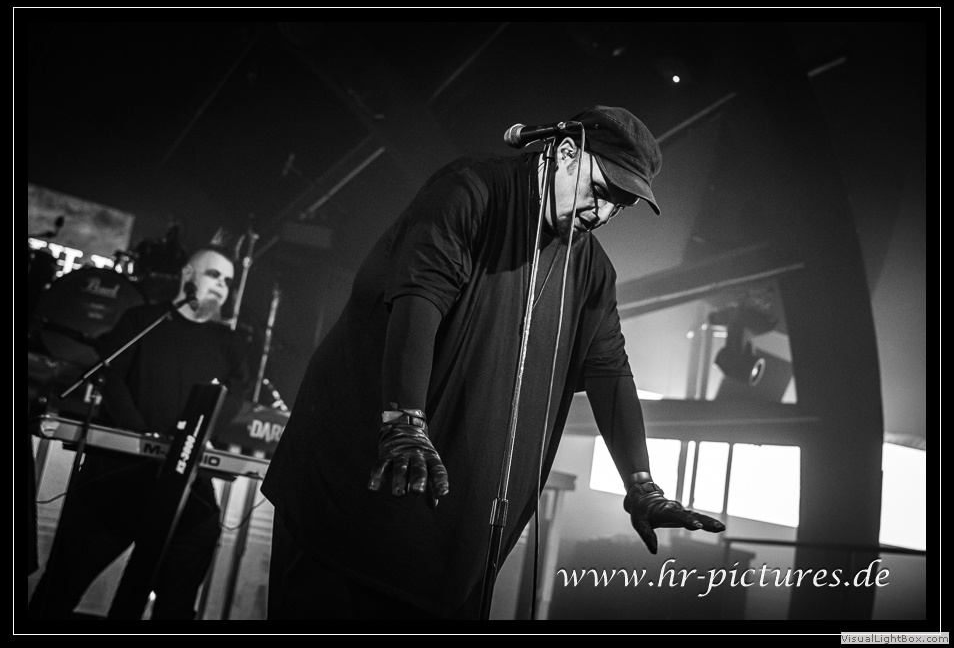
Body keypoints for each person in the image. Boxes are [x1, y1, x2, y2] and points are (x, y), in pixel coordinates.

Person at [260, 105, 726, 620]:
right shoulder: (472, 192)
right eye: (600, 189)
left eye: (620, 205)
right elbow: (420, 297)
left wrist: (641, 484)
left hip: (449, 556)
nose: (602, 213)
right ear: (565, 153)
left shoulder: (593, 271)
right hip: (345, 507)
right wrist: (405, 421)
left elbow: (610, 373)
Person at [29, 246, 250, 620]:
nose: (222, 286)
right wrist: (141, 435)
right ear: (188, 275)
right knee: (58, 592)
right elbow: (113, 376)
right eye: (214, 275)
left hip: (184, 488)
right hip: (117, 480)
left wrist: (203, 432)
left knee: (180, 593)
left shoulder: (229, 343)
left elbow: (236, 395)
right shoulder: (142, 320)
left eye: (228, 281)